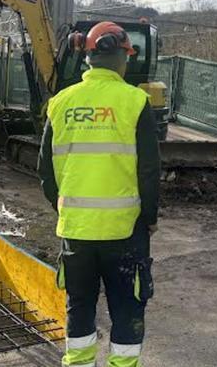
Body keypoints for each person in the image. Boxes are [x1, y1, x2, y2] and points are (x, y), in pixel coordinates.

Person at [38, 21, 160, 367]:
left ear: (88, 58)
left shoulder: (61, 102)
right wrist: (149, 217)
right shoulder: (135, 101)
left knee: (79, 307)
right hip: (125, 232)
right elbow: (148, 171)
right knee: (127, 309)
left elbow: (45, 170)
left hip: (76, 232)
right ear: (123, 56)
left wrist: (65, 208)